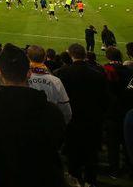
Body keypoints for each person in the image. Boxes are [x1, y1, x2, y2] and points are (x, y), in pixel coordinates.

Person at [0, 44, 66, 187]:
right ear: (29, 73)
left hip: (5, 179)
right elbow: (58, 139)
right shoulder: (51, 112)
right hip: (44, 178)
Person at [56, 43, 109, 186]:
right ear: (84, 54)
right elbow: (105, 100)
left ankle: (75, 179)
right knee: (92, 154)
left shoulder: (63, 73)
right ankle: (90, 181)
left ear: (71, 54)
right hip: (93, 121)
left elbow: (61, 100)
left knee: (73, 153)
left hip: (73, 120)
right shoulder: (98, 72)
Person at [102, 47, 133, 177]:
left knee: (113, 144)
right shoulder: (129, 70)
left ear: (108, 57)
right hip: (127, 111)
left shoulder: (106, 70)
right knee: (127, 141)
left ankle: (114, 170)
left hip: (112, 113)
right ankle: (129, 167)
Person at [26, 45, 71, 123]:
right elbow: (67, 111)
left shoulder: (20, 78)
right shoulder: (55, 81)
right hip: (49, 125)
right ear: (44, 58)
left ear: (27, 57)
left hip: (26, 125)